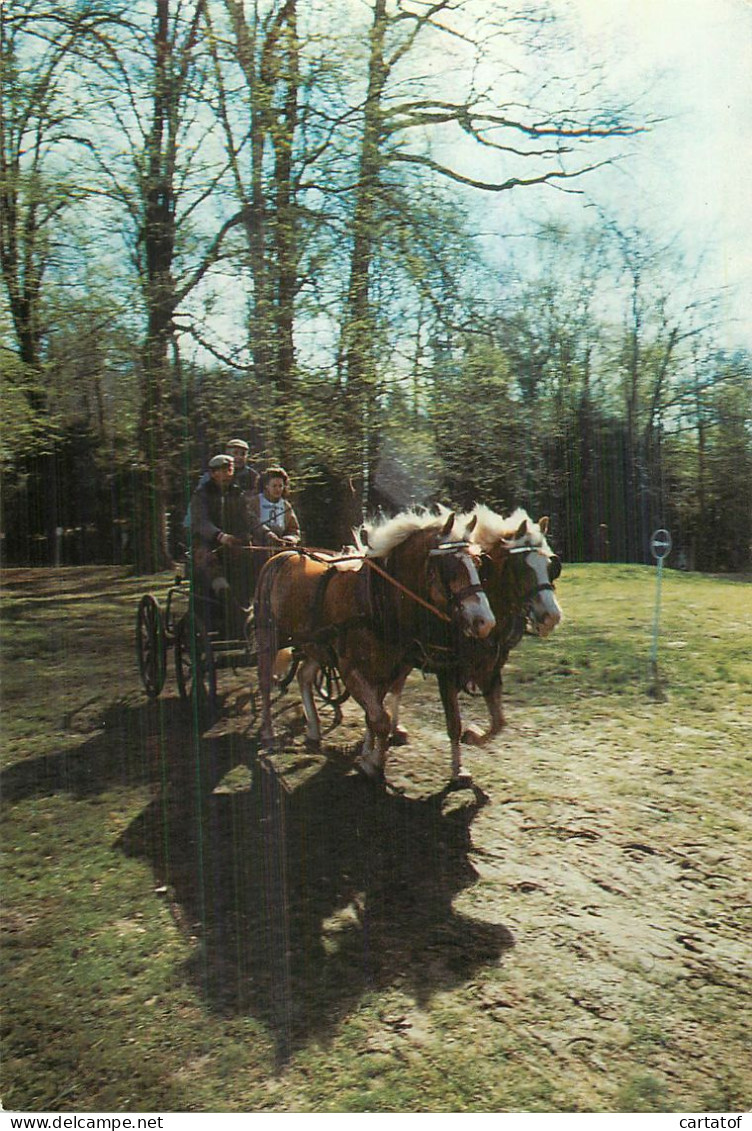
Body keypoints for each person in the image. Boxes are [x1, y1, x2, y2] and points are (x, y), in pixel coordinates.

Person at [189, 454, 254, 619]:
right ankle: (231, 608)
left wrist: (267, 533)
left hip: (231, 543)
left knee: (251, 559)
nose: (227, 474)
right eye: (223, 471)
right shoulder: (201, 494)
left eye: (230, 470)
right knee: (213, 568)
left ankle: (249, 606)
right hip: (205, 544)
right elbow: (200, 521)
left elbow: (249, 517)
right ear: (213, 473)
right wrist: (219, 536)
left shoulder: (237, 493)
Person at [248, 466, 301, 546]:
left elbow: (293, 529)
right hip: (258, 546)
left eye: (280, 486)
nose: (278, 489)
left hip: (280, 546)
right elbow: (250, 522)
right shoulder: (255, 502)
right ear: (266, 486)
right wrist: (266, 534)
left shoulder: (286, 506)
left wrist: (290, 538)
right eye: (274, 486)